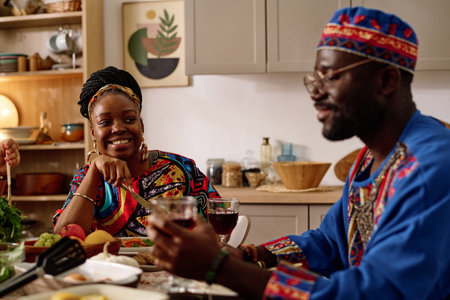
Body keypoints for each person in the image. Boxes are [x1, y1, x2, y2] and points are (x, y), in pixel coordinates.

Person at [147, 6, 450, 299]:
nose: (316, 93)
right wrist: (249, 255)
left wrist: (219, 267)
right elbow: (330, 241)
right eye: (315, 79)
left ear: (386, 80)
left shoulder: (429, 167)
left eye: (331, 77)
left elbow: (375, 293)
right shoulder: (369, 159)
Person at [53, 66, 220, 236]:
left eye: (129, 119)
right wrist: (95, 170)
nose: (118, 128)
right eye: (105, 122)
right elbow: (63, 237)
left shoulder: (180, 169)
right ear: (93, 133)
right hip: (108, 263)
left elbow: (218, 226)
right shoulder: (86, 178)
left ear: (141, 126)